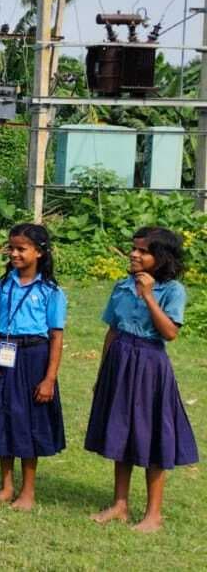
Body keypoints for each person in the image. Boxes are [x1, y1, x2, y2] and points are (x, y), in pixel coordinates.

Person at [86, 227, 197, 533]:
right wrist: (102, 373)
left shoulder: (172, 290)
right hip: (119, 361)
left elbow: (170, 333)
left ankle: (154, 514)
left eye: (143, 251)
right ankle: (120, 504)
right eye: (133, 248)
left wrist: (148, 296)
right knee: (120, 431)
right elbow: (112, 330)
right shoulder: (122, 286)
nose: (134, 254)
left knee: (151, 435)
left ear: (161, 257)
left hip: (149, 364)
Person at [0, 223, 66, 511]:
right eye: (11, 248)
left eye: (21, 249)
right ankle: (6, 486)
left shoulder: (51, 291)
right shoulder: (4, 285)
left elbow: (56, 336)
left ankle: (28, 492)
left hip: (34, 358)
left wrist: (49, 378)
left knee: (29, 422)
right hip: (6, 354)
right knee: (3, 416)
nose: (14, 254)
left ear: (39, 252)